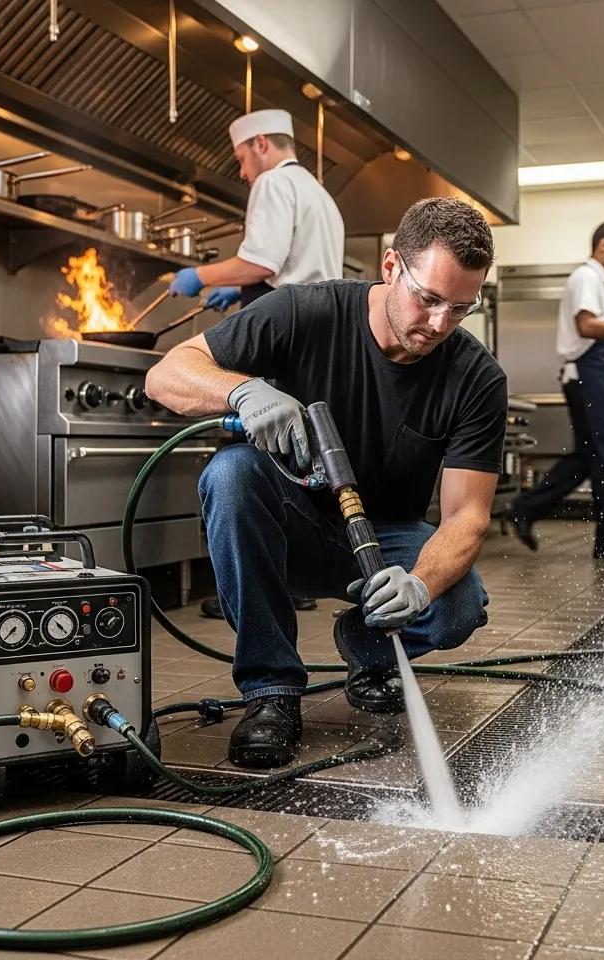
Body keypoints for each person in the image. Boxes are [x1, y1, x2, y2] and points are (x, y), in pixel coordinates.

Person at [145, 197, 507, 769]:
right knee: (232, 473)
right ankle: (270, 691)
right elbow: (165, 373)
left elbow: (467, 516)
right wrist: (241, 391)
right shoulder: (303, 312)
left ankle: (367, 645)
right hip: (289, 527)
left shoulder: (476, 377)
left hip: (382, 542)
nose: (441, 324)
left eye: (461, 308)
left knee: (458, 603)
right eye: (429, 298)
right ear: (391, 267)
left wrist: (419, 583)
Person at [168, 107, 345, 615]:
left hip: (280, 336)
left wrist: (201, 275)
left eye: (242, 159)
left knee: (252, 466)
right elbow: (287, 266)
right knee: (293, 460)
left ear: (262, 144)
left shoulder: (272, 183)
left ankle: (252, 592)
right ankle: (295, 583)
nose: (244, 172)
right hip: (315, 338)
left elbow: (262, 261)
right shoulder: (320, 194)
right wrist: (239, 292)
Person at [506, 221, 604, 561]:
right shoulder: (587, 278)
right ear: (603, 245)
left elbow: (591, 335)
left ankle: (527, 508)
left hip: (592, 374)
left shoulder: (597, 282)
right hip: (587, 377)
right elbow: (586, 326)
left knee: (590, 456)